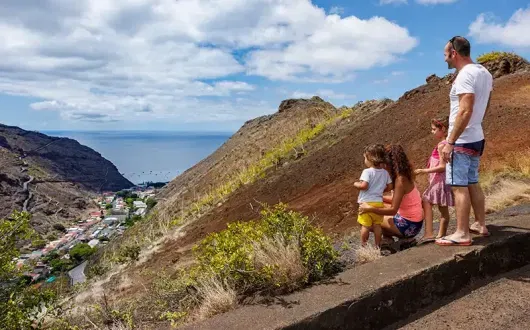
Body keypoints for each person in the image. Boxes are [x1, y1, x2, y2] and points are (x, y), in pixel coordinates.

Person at [436, 36, 493, 246]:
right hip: (476, 137)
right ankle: (480, 224)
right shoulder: (485, 73)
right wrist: (475, 124)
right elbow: (485, 106)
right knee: (472, 182)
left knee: (458, 187)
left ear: (454, 53)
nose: (444, 59)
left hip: (461, 141)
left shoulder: (464, 75)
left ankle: (461, 233)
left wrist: (450, 141)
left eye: (445, 54)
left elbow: (465, 110)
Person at [359, 144, 424, 242]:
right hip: (414, 222)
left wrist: (370, 208)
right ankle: (389, 239)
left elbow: (393, 210)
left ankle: (388, 240)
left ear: (387, 163)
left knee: (366, 216)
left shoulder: (400, 181)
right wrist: (380, 197)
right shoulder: (404, 174)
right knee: (378, 206)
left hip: (409, 226)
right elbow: (397, 201)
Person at [414, 116, 454, 244]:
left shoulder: (442, 145)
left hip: (440, 181)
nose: (432, 132)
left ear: (442, 129)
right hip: (439, 180)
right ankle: (438, 235)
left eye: (433, 129)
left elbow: (442, 167)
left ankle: (433, 234)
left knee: (430, 202)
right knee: (442, 209)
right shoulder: (446, 143)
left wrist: (422, 171)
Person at [354, 144, 393, 247]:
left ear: (371, 158)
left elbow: (364, 186)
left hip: (366, 203)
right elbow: (390, 186)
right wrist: (380, 190)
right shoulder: (385, 173)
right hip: (378, 203)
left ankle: (364, 246)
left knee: (365, 226)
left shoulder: (367, 172)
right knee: (377, 226)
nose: (365, 160)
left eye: (365, 158)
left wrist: (356, 184)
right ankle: (377, 245)